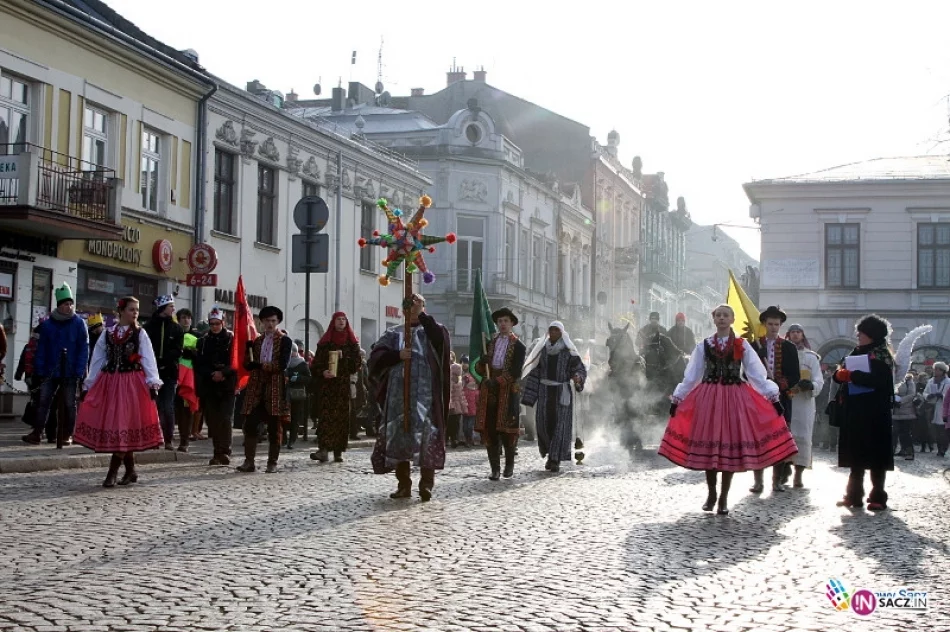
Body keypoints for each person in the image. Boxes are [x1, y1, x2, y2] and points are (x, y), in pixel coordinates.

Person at [658, 304, 797, 515]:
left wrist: (772, 397)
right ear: (714, 319)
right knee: (710, 451)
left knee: (727, 450)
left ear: (732, 319)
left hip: (734, 398)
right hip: (709, 399)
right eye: (719, 315)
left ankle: (723, 497)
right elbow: (692, 375)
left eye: (726, 315)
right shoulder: (704, 345)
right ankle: (712, 493)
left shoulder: (742, 345)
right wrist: (678, 398)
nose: (722, 318)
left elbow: (756, 374)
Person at [73, 296, 163, 487]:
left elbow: (148, 358)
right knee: (120, 426)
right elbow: (97, 360)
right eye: (131, 309)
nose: (135, 313)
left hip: (132, 384)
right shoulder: (108, 333)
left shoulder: (140, 334)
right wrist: (89, 385)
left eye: (137, 310)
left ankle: (112, 472)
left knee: (123, 424)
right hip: (111, 383)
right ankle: (130, 471)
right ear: (121, 311)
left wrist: (152, 382)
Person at [369, 294, 450, 501]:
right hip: (398, 396)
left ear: (424, 307)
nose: (413, 309)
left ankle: (426, 484)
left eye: (418, 305)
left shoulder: (434, 329)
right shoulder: (394, 333)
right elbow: (375, 358)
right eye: (410, 306)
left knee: (426, 436)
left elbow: (439, 341)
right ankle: (403, 484)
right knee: (400, 435)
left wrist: (421, 314)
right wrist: (397, 356)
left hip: (425, 395)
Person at [831, 314, 895, 510]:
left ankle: (878, 496)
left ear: (872, 334)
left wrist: (853, 375)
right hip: (855, 412)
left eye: (862, 332)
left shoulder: (882, 355)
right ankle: (853, 495)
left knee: (876, 457)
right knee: (855, 456)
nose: (858, 335)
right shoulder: (856, 352)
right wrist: (839, 375)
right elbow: (839, 372)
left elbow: (880, 381)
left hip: (876, 413)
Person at [21, 283, 89, 446]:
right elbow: (41, 349)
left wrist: (79, 371)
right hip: (49, 371)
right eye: (66, 304)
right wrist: (39, 370)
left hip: (70, 371)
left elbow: (83, 349)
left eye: (70, 303)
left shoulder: (79, 323)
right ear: (59, 305)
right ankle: (37, 433)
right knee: (43, 402)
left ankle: (67, 434)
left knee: (69, 404)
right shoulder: (48, 325)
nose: (69, 306)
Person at [521, 321, 587, 472]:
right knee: (543, 424)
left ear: (562, 333)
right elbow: (535, 373)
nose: (553, 333)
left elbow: (579, 368)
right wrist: (530, 395)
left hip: (561, 393)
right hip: (544, 392)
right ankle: (550, 453)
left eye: (556, 330)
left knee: (559, 426)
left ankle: (555, 459)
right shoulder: (542, 350)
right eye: (551, 330)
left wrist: (577, 377)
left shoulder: (568, 351)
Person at [749, 305, 800, 493]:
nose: (773, 327)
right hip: (758, 400)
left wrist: (780, 385)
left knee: (779, 440)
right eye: (770, 324)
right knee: (758, 440)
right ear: (764, 324)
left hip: (782, 400)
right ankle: (758, 481)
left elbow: (795, 375)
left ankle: (777, 480)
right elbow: (746, 372)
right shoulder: (755, 346)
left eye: (776, 324)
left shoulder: (788, 347)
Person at [237, 306, 292, 473]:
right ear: (261, 322)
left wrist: (261, 365)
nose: (270, 324)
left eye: (273, 321)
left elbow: (281, 365)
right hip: (256, 386)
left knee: (275, 426)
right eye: (267, 320)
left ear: (278, 322)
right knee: (251, 423)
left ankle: (272, 462)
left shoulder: (285, 341)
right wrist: (247, 351)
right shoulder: (257, 341)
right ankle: (249, 461)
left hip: (275, 386)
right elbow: (248, 365)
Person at [475, 307, 527, 480]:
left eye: (506, 321)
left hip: (508, 391)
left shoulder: (519, 346)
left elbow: (515, 371)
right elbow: (481, 369)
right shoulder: (490, 343)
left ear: (512, 323)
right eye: (500, 321)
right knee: (490, 429)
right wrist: (482, 363)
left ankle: (509, 465)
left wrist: (497, 381)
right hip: (490, 391)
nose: (502, 324)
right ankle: (494, 469)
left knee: (507, 430)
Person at [310, 312, 362, 463]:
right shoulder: (325, 342)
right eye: (338, 319)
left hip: (342, 386)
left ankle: (338, 451)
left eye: (343, 319)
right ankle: (323, 450)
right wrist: (323, 372)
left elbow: (356, 364)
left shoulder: (352, 344)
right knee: (326, 418)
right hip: (327, 386)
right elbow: (315, 365)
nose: (341, 321)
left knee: (341, 418)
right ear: (333, 322)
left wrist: (343, 357)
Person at [194, 307, 236, 465]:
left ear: (223, 323)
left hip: (227, 385)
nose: (214, 327)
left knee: (225, 419)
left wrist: (223, 373)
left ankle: (224, 450)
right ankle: (217, 451)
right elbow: (199, 364)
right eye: (212, 324)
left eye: (217, 324)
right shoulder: (203, 341)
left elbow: (235, 362)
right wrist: (212, 374)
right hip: (209, 384)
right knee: (212, 421)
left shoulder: (232, 340)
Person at [785, 324, 824, 488]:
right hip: (787, 400)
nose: (795, 335)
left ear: (802, 335)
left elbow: (819, 379)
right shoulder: (783, 355)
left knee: (803, 437)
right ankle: (784, 470)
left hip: (804, 403)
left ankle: (799, 474)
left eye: (798, 332)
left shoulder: (811, 357)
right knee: (786, 437)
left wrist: (811, 385)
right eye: (792, 332)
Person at [143, 295, 184, 450]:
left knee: (167, 406)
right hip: (151, 373)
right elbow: (145, 350)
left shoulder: (176, 328)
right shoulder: (148, 327)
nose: (173, 309)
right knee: (152, 406)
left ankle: (168, 439)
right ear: (162, 308)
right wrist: (153, 366)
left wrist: (164, 363)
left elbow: (177, 351)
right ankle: (152, 438)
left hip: (169, 373)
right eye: (170, 306)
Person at [284, 342, 311, 449]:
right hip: (285, 393)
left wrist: (298, 378)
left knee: (295, 418)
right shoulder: (284, 363)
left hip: (297, 393)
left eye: (292, 352)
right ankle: (284, 439)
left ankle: (292, 440)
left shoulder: (302, 364)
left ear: (295, 352)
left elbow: (309, 378)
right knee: (284, 417)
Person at [925, 362, 950, 457]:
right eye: (934, 369)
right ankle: (939, 448)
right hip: (932, 407)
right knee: (936, 430)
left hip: (943, 408)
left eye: (937, 369)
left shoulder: (949, 382)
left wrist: (942, 396)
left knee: (943, 431)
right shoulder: (931, 381)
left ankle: (943, 449)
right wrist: (928, 395)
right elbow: (925, 392)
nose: (935, 371)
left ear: (942, 371)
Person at [893, 373, 917, 460]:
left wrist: (901, 401)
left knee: (905, 433)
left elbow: (911, 394)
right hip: (895, 411)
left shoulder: (908, 380)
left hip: (906, 411)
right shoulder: (892, 378)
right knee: (895, 432)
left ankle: (909, 452)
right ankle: (900, 450)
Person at [447, 351, 464, 447]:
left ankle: (455, 439)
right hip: (446, 399)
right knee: (447, 421)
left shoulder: (457, 369)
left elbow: (459, 384)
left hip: (456, 400)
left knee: (455, 421)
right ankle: (446, 439)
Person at [460, 355, 478, 447]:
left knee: (470, 426)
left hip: (473, 406)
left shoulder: (474, 376)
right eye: (463, 362)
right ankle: (468, 440)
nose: (464, 364)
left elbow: (476, 393)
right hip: (465, 404)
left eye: (466, 362)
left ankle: (470, 440)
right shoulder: (461, 375)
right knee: (465, 426)